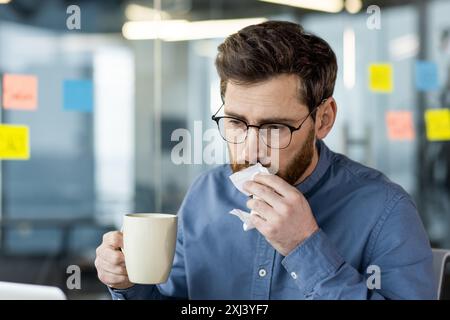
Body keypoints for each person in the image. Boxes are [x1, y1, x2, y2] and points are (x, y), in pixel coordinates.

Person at [95, 21, 436, 300]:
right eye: (236, 123)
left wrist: (305, 245)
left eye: (275, 127)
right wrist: (129, 285)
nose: (250, 150)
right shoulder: (205, 195)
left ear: (323, 120)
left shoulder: (386, 210)